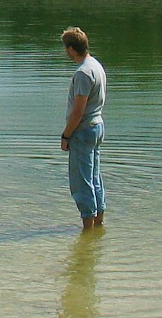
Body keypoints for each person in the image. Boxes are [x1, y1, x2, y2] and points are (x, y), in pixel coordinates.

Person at [61, 26, 107, 230]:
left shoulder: (83, 73)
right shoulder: (96, 65)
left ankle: (87, 228)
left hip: (83, 130)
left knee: (81, 182)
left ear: (71, 49)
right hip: (97, 126)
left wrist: (66, 135)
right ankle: (98, 223)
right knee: (95, 177)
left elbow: (78, 111)